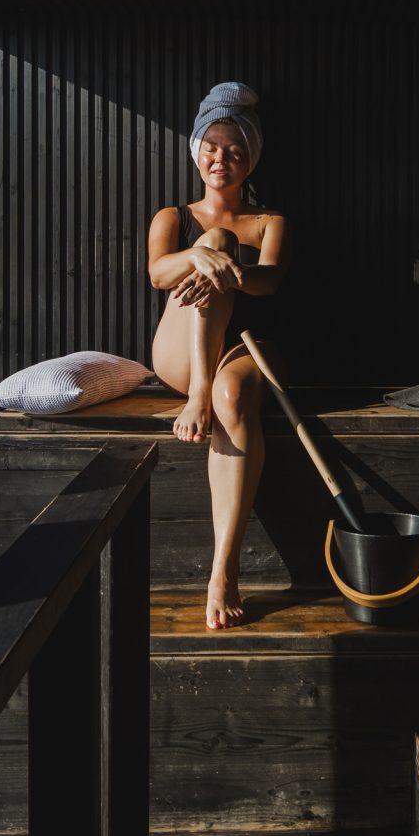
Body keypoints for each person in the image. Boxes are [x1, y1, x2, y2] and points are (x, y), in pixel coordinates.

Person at [148, 83, 291, 629]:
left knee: (234, 397)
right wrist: (205, 254)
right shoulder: (171, 217)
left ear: (250, 157)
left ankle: (223, 568)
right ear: (196, 150)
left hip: (248, 349)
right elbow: (160, 274)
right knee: (216, 243)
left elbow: (272, 281)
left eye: (234, 150)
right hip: (181, 353)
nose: (220, 159)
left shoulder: (270, 221)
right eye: (212, 146)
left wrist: (225, 263)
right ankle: (201, 389)